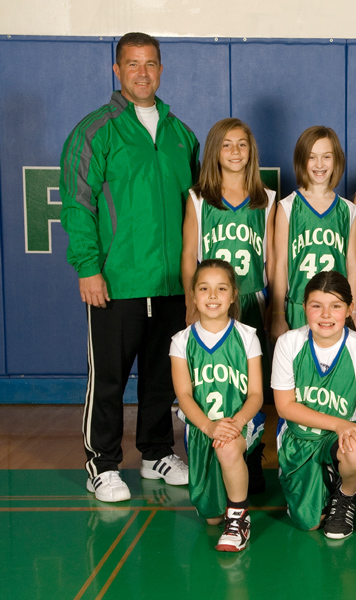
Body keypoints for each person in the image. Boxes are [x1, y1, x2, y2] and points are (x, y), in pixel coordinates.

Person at [60, 32, 199, 502]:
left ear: (161, 69)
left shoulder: (181, 134)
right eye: (133, 64)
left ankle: (157, 452)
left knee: (162, 376)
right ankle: (101, 464)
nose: (143, 73)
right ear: (117, 70)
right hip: (116, 282)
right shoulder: (95, 131)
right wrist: (88, 268)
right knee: (110, 380)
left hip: (172, 283)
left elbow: (195, 210)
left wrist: (194, 281)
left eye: (150, 63)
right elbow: (78, 205)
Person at [181, 118, 275, 494]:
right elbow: (189, 255)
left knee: (251, 382)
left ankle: (251, 452)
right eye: (227, 145)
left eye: (242, 144)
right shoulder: (199, 198)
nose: (235, 152)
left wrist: (274, 307)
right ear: (214, 152)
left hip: (251, 298)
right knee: (216, 378)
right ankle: (212, 451)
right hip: (211, 303)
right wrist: (191, 304)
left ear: (251, 151)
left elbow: (271, 257)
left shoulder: (265, 199)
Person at [272, 271, 356, 539]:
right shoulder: (288, 344)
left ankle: (345, 496)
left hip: (341, 437)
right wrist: (338, 423)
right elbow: (285, 407)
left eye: (335, 306)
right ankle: (326, 476)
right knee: (308, 523)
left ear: (349, 308)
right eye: (316, 306)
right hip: (299, 437)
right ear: (304, 307)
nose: (325, 315)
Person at [170, 259, 264, 552]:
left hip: (241, 421)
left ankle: (239, 520)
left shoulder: (247, 337)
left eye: (221, 288)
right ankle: (231, 493)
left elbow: (256, 395)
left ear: (234, 295)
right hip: (203, 426)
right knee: (211, 517)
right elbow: (184, 396)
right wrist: (210, 427)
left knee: (228, 447)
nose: (212, 296)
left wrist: (235, 424)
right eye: (204, 289)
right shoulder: (181, 341)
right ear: (193, 295)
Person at [271, 126, 356, 339]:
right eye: (312, 157)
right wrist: (278, 314)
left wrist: (355, 312)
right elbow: (281, 264)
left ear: (336, 160)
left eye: (326, 156)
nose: (319, 164)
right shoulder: (288, 207)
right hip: (298, 307)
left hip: (335, 311)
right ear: (301, 160)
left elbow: (352, 267)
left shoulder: (348, 210)